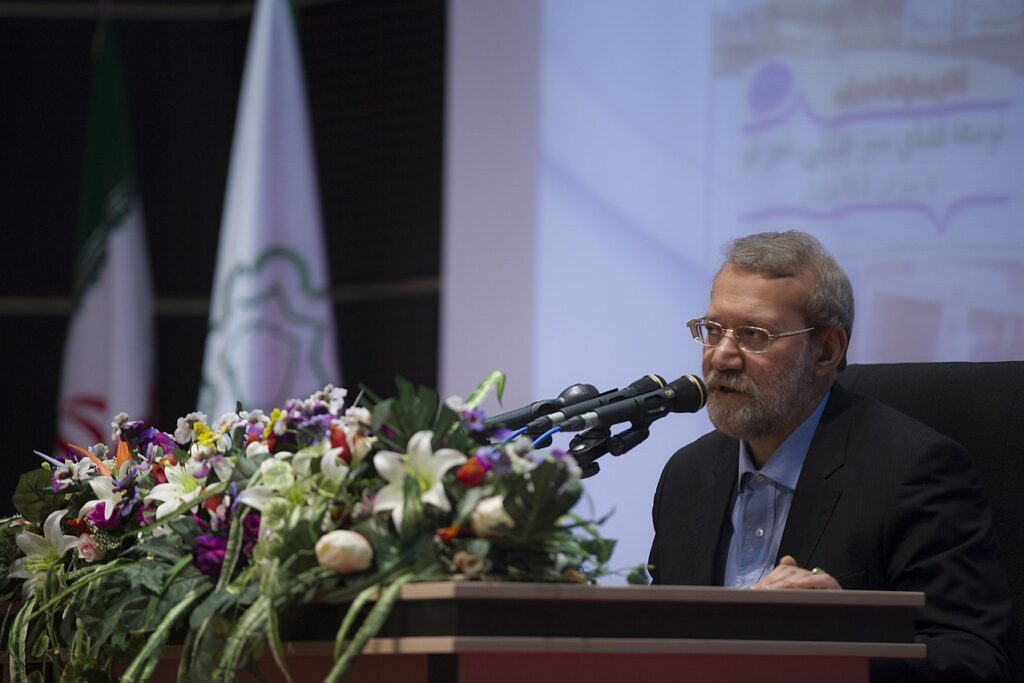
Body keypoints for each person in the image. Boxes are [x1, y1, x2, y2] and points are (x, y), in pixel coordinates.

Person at [648, 230, 1012, 682]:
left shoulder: (914, 472)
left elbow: (976, 661)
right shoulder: (688, 474)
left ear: (827, 350)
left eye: (753, 335)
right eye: (713, 330)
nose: (721, 356)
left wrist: (845, 639)